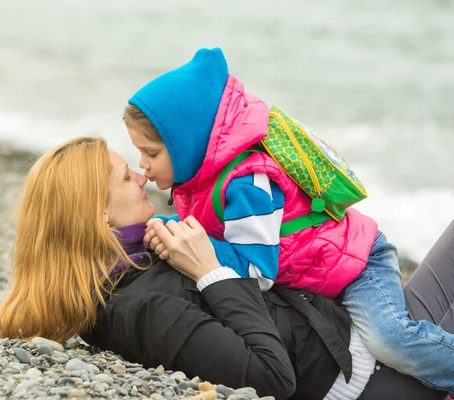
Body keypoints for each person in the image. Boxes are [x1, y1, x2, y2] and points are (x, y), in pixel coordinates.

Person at [0, 137, 451, 400]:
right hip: (375, 380)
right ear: (99, 218)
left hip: (362, 333)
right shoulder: (141, 307)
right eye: (124, 177)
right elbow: (270, 377)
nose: (141, 176)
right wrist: (212, 273)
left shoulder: (146, 255)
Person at [123, 47, 454, 395]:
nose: (143, 165)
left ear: (187, 144)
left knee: (391, 340)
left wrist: (186, 243)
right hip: (319, 269)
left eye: (152, 153)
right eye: (140, 153)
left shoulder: (247, 184)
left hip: (357, 263)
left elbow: (257, 271)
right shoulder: (198, 180)